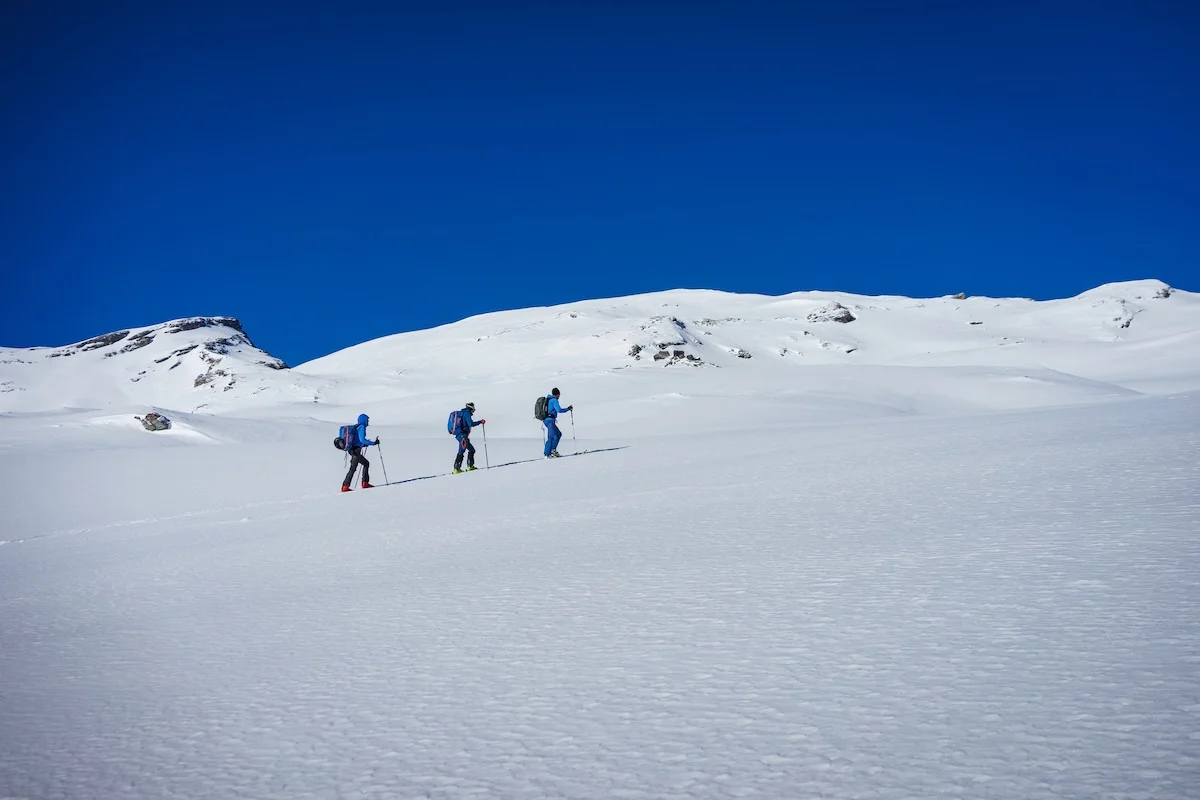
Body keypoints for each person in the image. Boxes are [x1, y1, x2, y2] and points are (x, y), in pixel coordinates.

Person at [341, 413, 379, 492]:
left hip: (353, 450)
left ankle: (364, 483)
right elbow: (362, 440)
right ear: (364, 420)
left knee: (365, 464)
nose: (368, 421)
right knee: (353, 468)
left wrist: (364, 444)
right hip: (356, 451)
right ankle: (345, 486)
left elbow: (358, 440)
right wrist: (372, 443)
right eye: (367, 420)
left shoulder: (357, 427)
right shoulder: (361, 427)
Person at [453, 402, 486, 474]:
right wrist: (480, 422)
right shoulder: (466, 413)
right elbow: (471, 424)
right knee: (461, 451)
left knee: (471, 450)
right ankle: (457, 469)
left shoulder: (463, 413)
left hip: (461, 435)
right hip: (462, 436)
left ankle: (469, 466)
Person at [543, 388, 572, 458]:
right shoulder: (554, 400)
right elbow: (559, 410)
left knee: (558, 434)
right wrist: (568, 409)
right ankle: (547, 454)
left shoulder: (548, 399)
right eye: (559, 395)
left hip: (547, 420)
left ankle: (552, 451)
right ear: (557, 394)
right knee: (552, 437)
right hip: (550, 420)